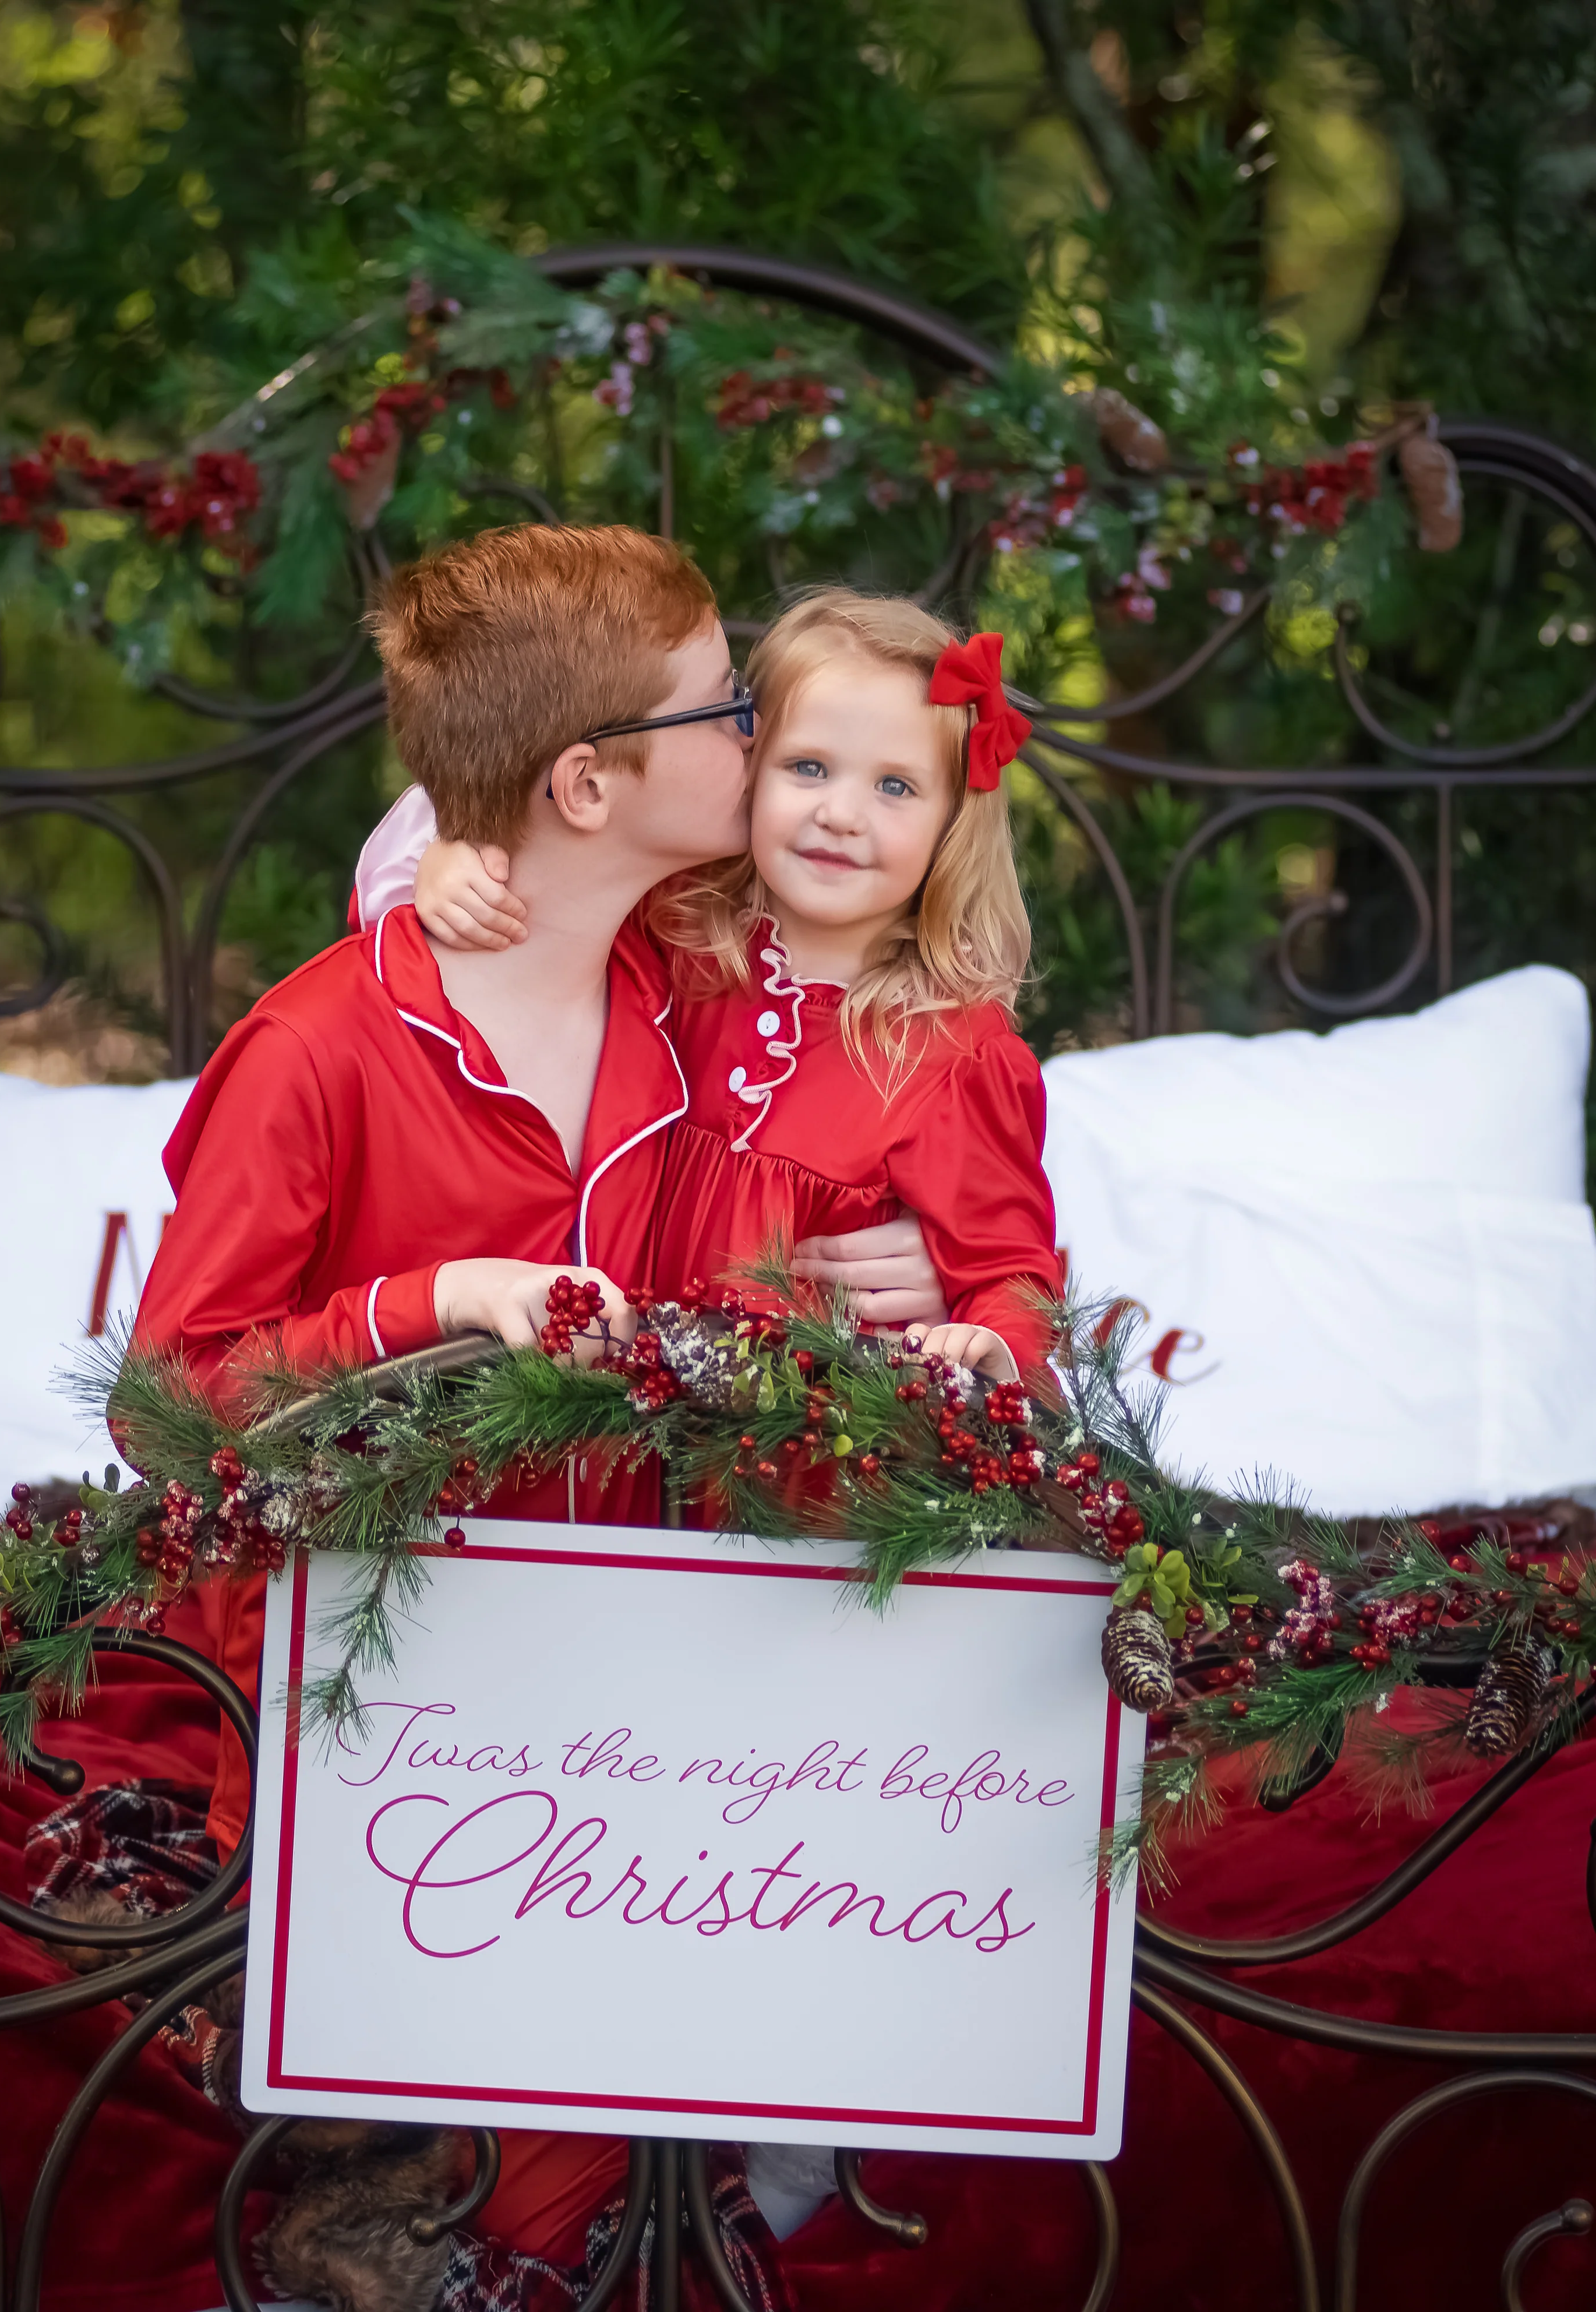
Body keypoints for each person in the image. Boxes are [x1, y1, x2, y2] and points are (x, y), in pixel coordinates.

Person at [130, 527, 949, 2285]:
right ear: (589, 782)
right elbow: (168, 1405)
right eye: (725, 707)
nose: (760, 729)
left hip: (641, 1688)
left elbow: (881, 1092)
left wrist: (917, 1281)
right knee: (508, 2166)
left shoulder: (694, 993)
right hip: (375, 1713)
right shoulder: (319, 1051)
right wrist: (422, 1307)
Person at [358, 587, 1063, 1387]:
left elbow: (1012, 1276)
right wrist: (448, 857)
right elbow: (493, 871)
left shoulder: (950, 1053)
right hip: (612, 1441)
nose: (840, 814)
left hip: (802, 1469)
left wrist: (976, 1326)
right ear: (747, 770)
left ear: (952, 822)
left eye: (894, 787)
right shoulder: (668, 939)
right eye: (807, 767)